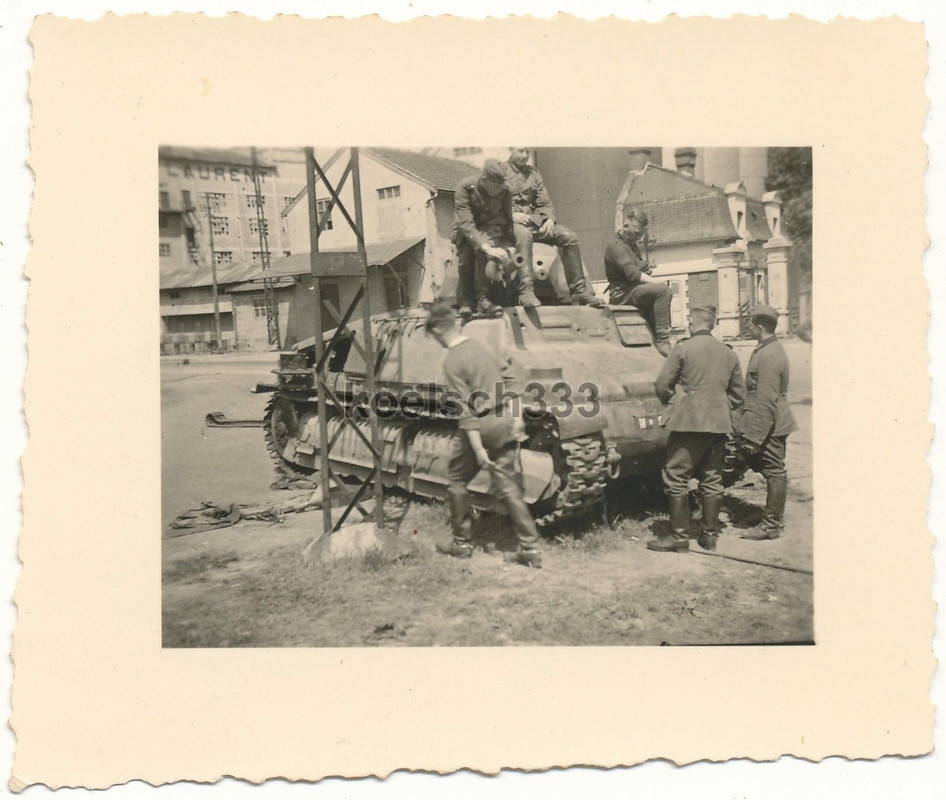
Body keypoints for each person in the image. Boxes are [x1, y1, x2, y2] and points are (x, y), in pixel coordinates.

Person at [424, 300, 543, 568]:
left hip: (482, 425)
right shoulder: (484, 347)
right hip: (505, 420)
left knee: (456, 477)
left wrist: (478, 450)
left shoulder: (452, 362)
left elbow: (466, 413)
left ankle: (462, 544)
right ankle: (531, 549)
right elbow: (513, 382)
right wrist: (517, 419)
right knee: (509, 486)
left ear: (438, 330)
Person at [649, 305, 746, 553]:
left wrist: (674, 403)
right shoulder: (728, 353)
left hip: (689, 421)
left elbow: (663, 384)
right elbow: (738, 395)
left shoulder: (682, 348)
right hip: (719, 423)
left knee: (675, 476)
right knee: (712, 479)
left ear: (691, 323)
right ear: (712, 324)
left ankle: (679, 538)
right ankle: (709, 537)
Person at [503, 147, 603, 307]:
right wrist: (511, 216)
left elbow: (544, 202)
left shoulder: (533, 173)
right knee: (524, 237)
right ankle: (526, 290)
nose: (524, 156)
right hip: (509, 224)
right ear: (510, 148)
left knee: (569, 236)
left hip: (532, 222)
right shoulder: (499, 172)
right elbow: (491, 205)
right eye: (520, 151)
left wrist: (549, 219)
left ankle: (579, 292)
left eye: (527, 152)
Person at [736, 304, 798, 540]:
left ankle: (771, 526)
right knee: (755, 464)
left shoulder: (770, 354)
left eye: (749, 323)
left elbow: (766, 399)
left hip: (771, 424)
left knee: (774, 470)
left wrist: (753, 437)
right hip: (767, 422)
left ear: (760, 326)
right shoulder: (766, 349)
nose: (747, 327)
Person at [454, 159, 540, 315]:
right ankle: (479, 300)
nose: (500, 189)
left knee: (524, 235)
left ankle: (526, 289)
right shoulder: (465, 188)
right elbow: (466, 223)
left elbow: (506, 218)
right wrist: (488, 247)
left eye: (502, 185)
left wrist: (508, 246)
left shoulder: (504, 190)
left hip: (495, 228)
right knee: (470, 255)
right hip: (469, 231)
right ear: (485, 180)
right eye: (496, 185)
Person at [604, 210, 674, 356]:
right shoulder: (616, 246)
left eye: (641, 234)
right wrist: (657, 283)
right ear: (625, 225)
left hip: (633, 290)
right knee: (663, 291)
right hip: (622, 295)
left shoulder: (631, 245)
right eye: (636, 233)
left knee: (659, 293)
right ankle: (663, 340)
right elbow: (633, 274)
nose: (638, 237)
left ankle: (658, 336)